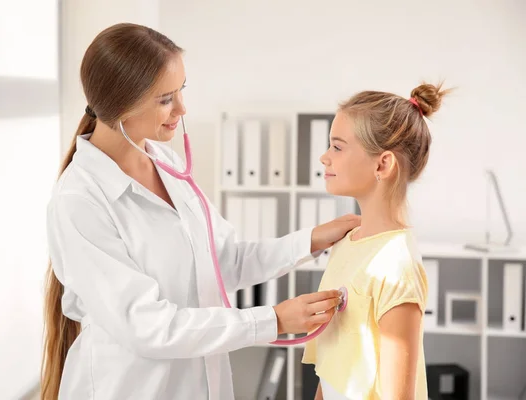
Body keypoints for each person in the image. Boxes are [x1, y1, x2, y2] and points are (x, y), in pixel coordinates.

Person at [40, 23, 360, 400]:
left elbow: (223, 262)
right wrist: (272, 320)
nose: (181, 109)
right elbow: (147, 326)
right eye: (165, 99)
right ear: (119, 104)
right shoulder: (80, 200)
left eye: (181, 91)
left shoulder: (167, 164)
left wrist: (310, 241)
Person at [302, 83, 450, 399]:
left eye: (337, 147)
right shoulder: (348, 243)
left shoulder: (396, 266)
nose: (324, 157)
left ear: (382, 164)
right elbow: (333, 369)